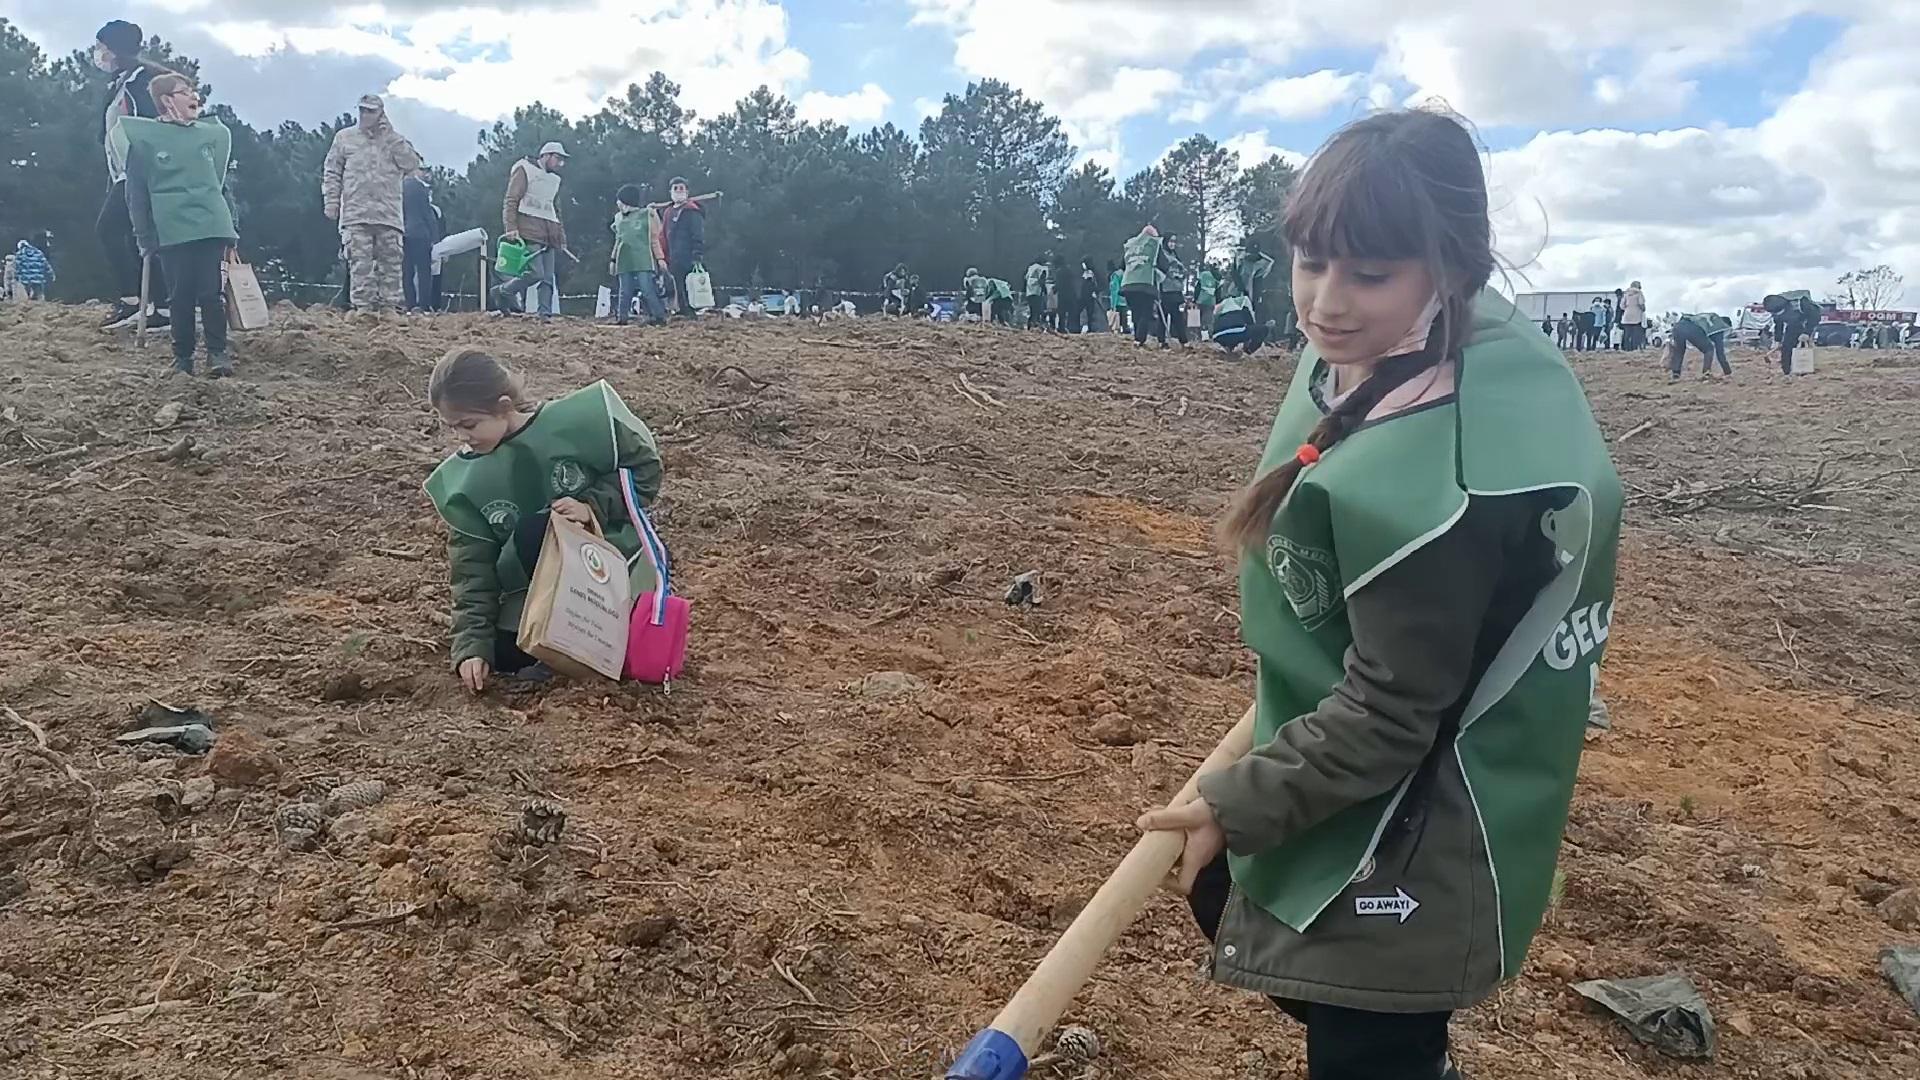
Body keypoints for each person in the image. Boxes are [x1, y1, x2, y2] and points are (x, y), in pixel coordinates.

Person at [1134, 108, 1621, 1080]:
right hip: (1388, 769)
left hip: (1423, 828)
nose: (1326, 302)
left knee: (1360, 1028)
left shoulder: (1441, 486)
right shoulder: (1400, 354)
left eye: (1368, 273)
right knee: (1231, 896)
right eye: (1311, 262)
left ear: (1448, 271)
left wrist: (1236, 801)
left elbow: (1395, 711)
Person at [424, 348, 665, 693]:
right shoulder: (467, 481)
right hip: (532, 595)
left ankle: (585, 646)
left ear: (504, 405)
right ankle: (560, 651)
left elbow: (643, 467)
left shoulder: (576, 424)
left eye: (468, 424)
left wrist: (592, 506)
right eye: (452, 428)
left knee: (539, 529)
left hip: (606, 579)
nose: (462, 437)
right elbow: (471, 569)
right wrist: (471, 646)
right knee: (499, 657)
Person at [123, 74, 238, 376]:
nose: (194, 96)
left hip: (209, 225)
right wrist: (144, 235)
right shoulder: (145, 140)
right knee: (180, 295)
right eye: (185, 91)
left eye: (193, 90)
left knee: (212, 293)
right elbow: (136, 192)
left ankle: (218, 353)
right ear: (166, 100)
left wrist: (229, 224)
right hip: (172, 228)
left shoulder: (210, 135)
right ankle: (183, 357)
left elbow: (219, 184)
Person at [322, 94, 420, 314]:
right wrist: (332, 201)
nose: (365, 115)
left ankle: (389, 309)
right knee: (360, 264)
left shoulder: (395, 141)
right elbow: (332, 172)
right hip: (356, 213)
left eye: (371, 111)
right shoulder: (344, 138)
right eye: (362, 110)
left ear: (381, 114)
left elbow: (412, 164)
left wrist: (391, 137)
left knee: (391, 264)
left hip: (388, 214)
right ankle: (363, 309)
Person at [490, 142, 571, 315]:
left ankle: (545, 315)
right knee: (536, 273)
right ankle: (503, 291)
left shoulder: (555, 180)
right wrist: (510, 227)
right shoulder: (524, 169)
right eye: (558, 158)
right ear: (546, 156)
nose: (560, 164)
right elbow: (511, 199)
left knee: (548, 278)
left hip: (549, 233)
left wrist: (561, 238)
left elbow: (555, 210)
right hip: (528, 230)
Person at [610, 184, 667, 327]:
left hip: (643, 259)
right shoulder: (618, 218)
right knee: (625, 290)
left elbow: (654, 239)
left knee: (647, 288)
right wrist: (613, 259)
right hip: (624, 259)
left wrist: (660, 258)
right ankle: (622, 317)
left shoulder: (647, 215)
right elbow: (618, 240)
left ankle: (659, 316)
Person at [401, 168, 443, 313]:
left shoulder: (398, 187)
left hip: (404, 234)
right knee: (424, 271)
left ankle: (410, 305)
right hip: (421, 234)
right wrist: (435, 238)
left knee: (407, 271)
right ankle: (424, 305)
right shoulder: (420, 188)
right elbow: (428, 214)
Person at [1120, 225, 1170, 346]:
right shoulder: (1154, 244)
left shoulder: (1130, 245)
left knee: (1136, 312)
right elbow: (1164, 264)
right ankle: (1140, 339)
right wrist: (1158, 274)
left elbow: (1122, 265)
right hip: (1145, 283)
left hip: (1128, 284)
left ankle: (1137, 338)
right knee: (1145, 312)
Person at [1666, 312, 1731, 381]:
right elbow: (1720, 353)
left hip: (1678, 326)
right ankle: (1706, 373)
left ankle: (1676, 373)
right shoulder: (1719, 328)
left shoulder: (1712, 320)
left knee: (1679, 350)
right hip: (1691, 327)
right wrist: (1728, 372)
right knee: (1709, 349)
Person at [1160, 235, 1191, 346]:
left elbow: (1183, 271)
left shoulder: (1175, 256)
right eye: (1170, 241)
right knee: (1163, 316)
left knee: (1177, 317)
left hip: (1176, 290)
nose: (1172, 244)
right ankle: (1161, 340)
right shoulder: (1162, 255)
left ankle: (1183, 340)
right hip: (1165, 290)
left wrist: (1181, 275)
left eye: (1174, 241)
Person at [13, 235, 53, 300]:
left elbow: (17, 267)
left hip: (25, 279)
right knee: (39, 293)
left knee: (26, 294)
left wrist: (16, 276)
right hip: (38, 277)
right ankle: (41, 305)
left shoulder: (19, 254)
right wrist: (51, 273)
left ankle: (28, 304)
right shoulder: (38, 252)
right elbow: (45, 264)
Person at [1024, 255, 1051, 330]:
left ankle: (1029, 326)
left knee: (1032, 311)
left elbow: (1025, 278)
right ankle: (1037, 326)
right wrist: (1045, 290)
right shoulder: (1042, 269)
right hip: (1037, 291)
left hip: (1029, 291)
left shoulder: (1031, 268)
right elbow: (1041, 280)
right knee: (1038, 310)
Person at [1079, 257, 1102, 334]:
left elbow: (1090, 284)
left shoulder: (1090, 273)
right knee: (1087, 312)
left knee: (1090, 312)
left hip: (1089, 295)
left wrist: (1094, 291)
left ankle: (1091, 327)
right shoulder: (1086, 272)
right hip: (1086, 295)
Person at [1196, 263, 1219, 342]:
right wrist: (1217, 301)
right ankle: (1209, 337)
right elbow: (1218, 291)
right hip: (1210, 302)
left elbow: (1198, 288)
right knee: (1208, 321)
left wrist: (1195, 299)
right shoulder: (1216, 278)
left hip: (1200, 300)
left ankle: (1201, 337)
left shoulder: (1202, 275)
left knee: (1199, 321)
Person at [1107, 260, 1127, 334]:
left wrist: (1113, 305)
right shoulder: (1127, 275)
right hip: (1125, 301)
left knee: (1116, 321)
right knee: (1124, 321)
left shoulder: (1116, 275)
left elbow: (1114, 290)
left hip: (1118, 301)